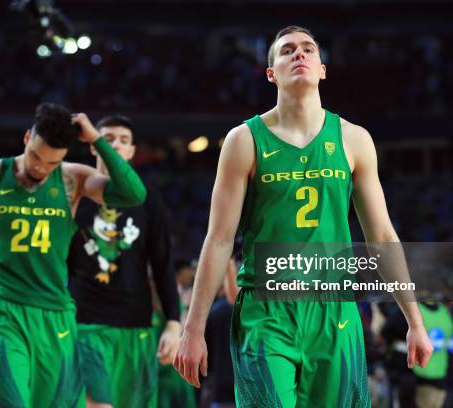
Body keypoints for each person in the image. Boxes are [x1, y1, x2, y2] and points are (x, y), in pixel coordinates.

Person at [174, 26, 433, 407]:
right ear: (271, 73)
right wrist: (193, 329)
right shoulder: (243, 140)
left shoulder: (353, 138)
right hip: (265, 311)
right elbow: (218, 239)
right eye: (287, 51)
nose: (299, 55)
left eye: (308, 49)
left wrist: (415, 320)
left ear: (322, 69)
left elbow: (382, 235)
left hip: (334, 310)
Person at [0, 103, 147, 407]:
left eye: (51, 163)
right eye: (36, 156)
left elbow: (133, 194)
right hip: (2, 310)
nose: (41, 169)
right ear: (27, 138)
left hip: (55, 315)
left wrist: (97, 140)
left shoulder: (73, 178)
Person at [67, 114, 181, 408]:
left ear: (132, 151)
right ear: (93, 146)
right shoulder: (75, 197)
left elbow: (162, 263)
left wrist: (173, 321)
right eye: (107, 139)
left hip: (136, 324)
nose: (116, 145)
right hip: (84, 323)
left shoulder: (148, 200)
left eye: (124, 141)